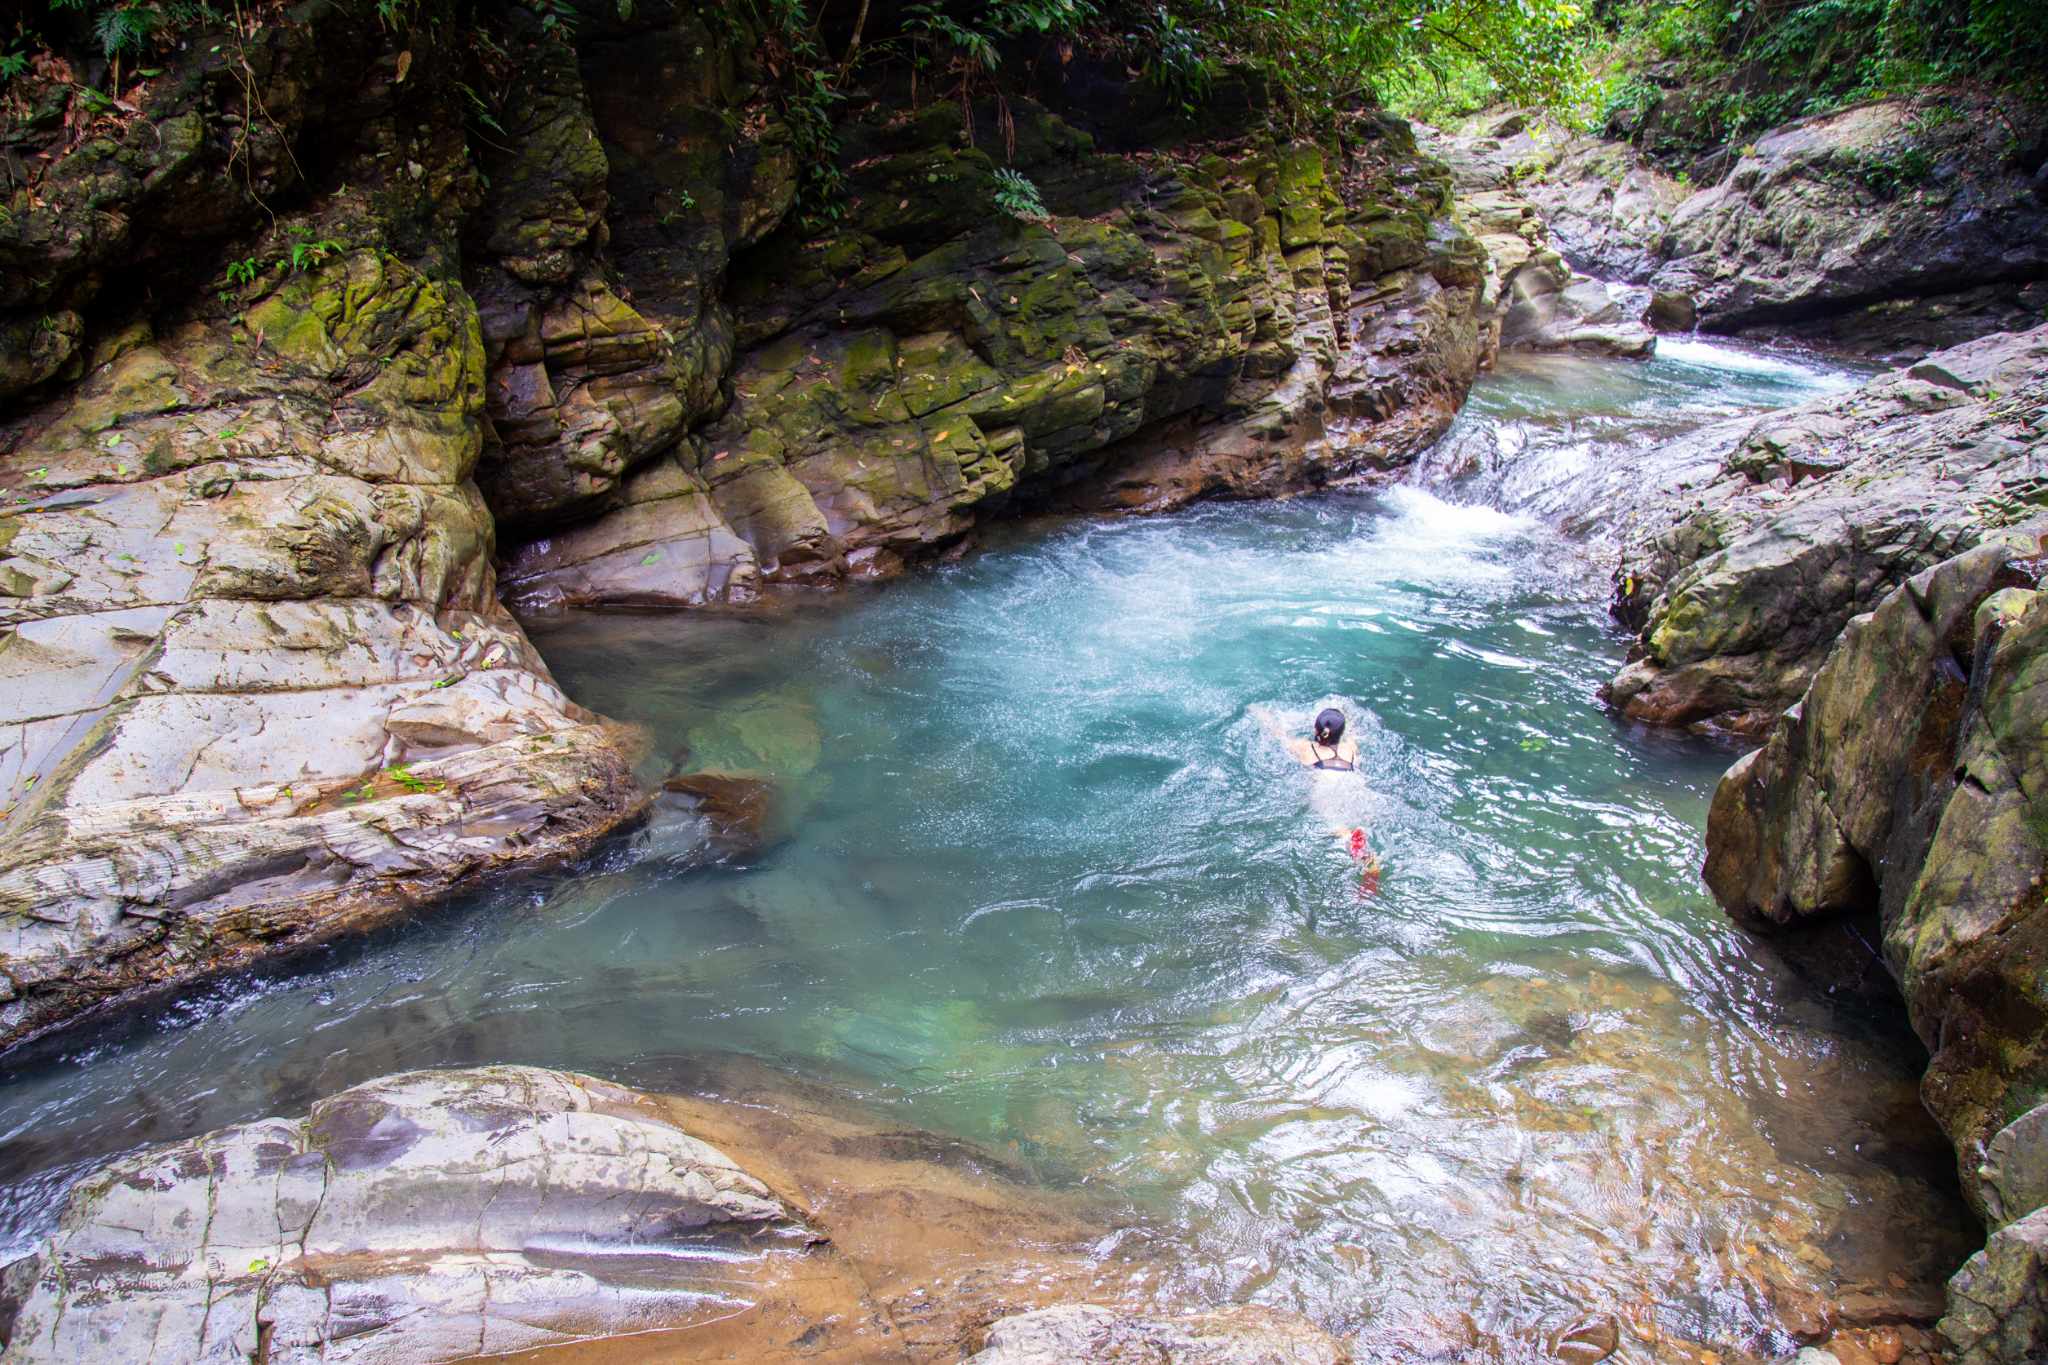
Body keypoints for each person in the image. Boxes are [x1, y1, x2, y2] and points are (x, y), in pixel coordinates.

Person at [1287, 707, 1359, 772]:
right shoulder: (1350, 748)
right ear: (1342, 732)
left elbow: (1283, 740)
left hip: (1321, 777)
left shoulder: (1306, 747)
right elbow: (1352, 733)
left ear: (1316, 730)